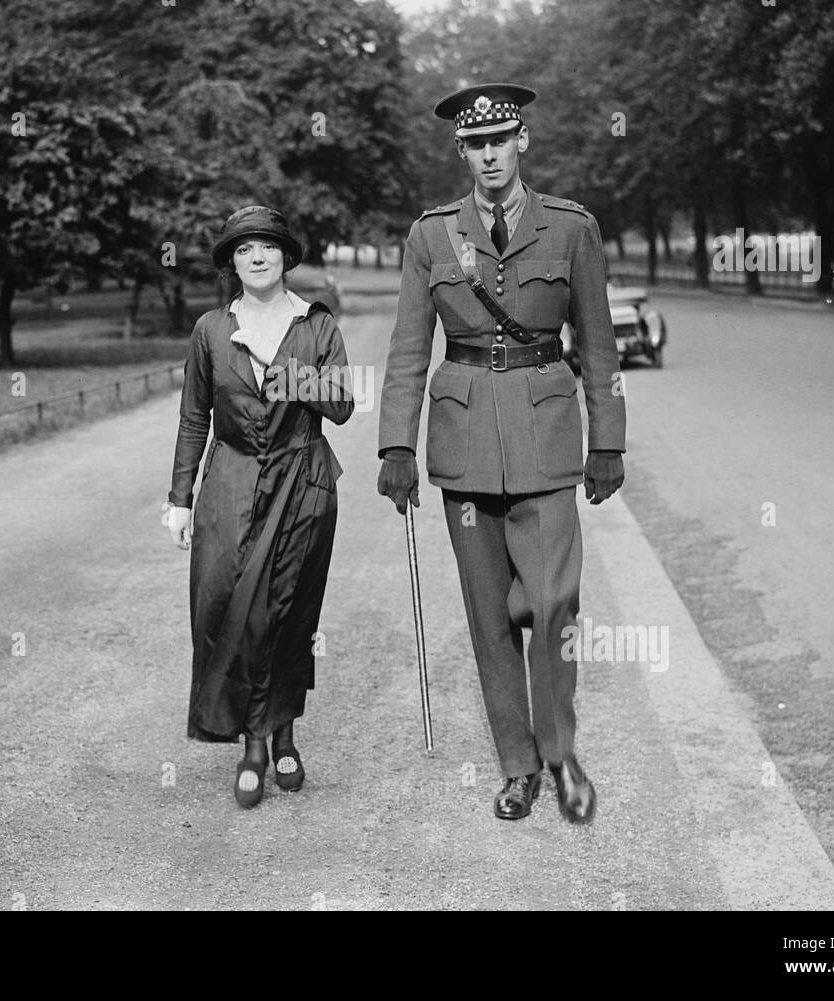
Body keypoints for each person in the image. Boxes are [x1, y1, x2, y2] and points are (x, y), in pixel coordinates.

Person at [376, 83, 626, 824]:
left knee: (551, 604)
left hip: (547, 440)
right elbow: (407, 349)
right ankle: (519, 767)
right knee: (490, 616)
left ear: (523, 142)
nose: (489, 154)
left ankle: (561, 752)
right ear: (462, 152)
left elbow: (601, 344)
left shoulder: (571, 227)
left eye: (501, 139)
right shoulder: (430, 235)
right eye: (474, 144)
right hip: (463, 448)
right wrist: (397, 443)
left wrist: (607, 439)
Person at [166, 205, 354, 808]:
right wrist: (179, 498)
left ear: (285, 255)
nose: (256, 257)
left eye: (267, 246)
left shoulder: (315, 323)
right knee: (228, 608)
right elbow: (195, 417)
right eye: (243, 248)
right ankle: (252, 741)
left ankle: (284, 737)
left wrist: (279, 368)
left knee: (289, 612)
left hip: (303, 481)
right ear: (231, 262)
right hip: (230, 482)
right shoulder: (210, 331)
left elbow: (343, 402)